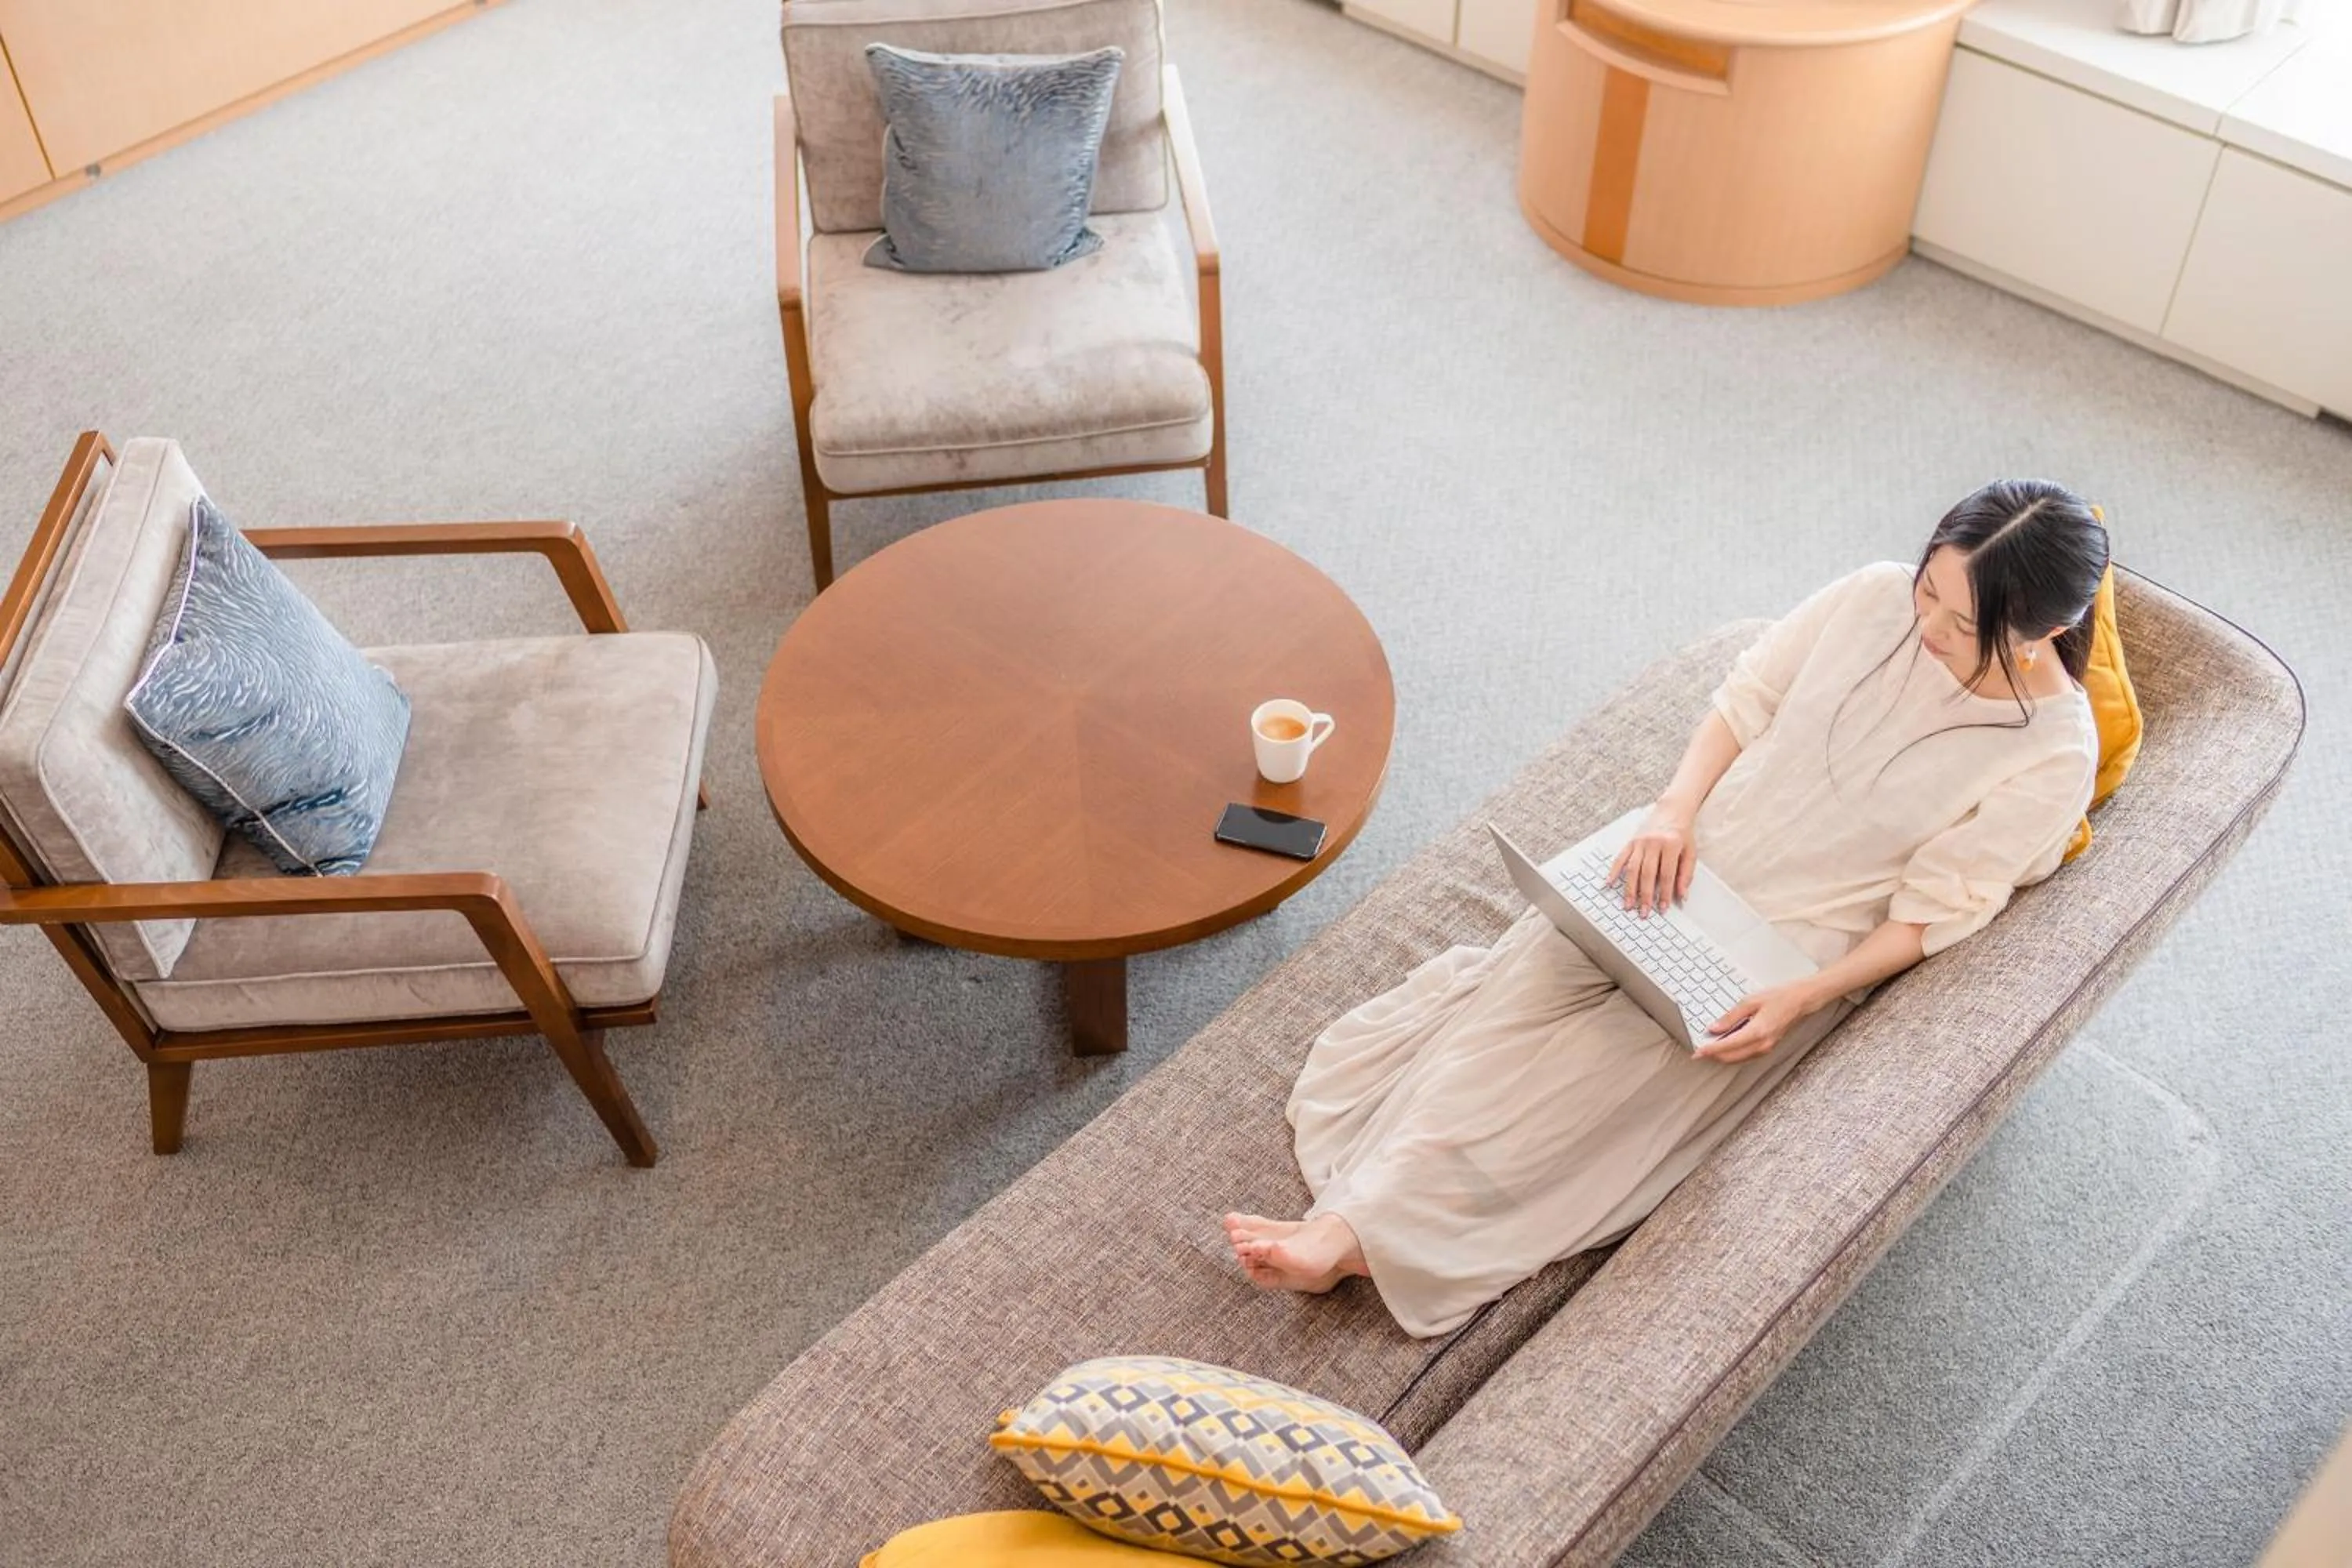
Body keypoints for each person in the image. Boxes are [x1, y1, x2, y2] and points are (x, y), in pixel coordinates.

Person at [1223, 481, 2110, 1338]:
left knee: (1581, 1081)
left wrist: (1803, 997)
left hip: (1782, 956)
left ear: (2050, 632)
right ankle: (1359, 1210)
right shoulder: (1871, 595)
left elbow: (1934, 914)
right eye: (1930, 593)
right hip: (1675, 866)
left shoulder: (2052, 750)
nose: (1929, 628)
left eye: (1965, 626)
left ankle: (1351, 1237)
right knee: (1507, 1009)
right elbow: (1746, 699)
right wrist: (1670, 812)